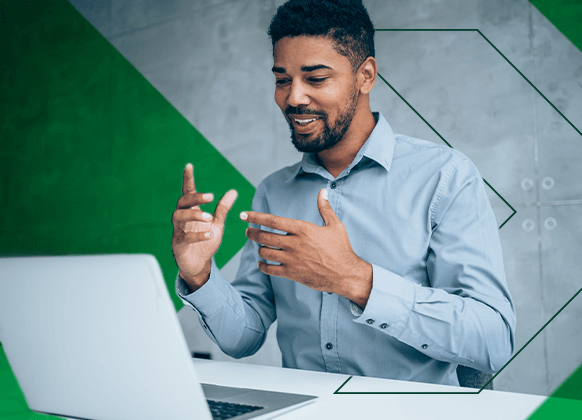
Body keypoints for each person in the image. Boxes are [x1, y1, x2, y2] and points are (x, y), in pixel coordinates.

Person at [171, 0, 515, 386]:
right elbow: (244, 336)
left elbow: (493, 340)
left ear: (365, 76)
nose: (293, 97)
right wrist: (200, 275)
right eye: (282, 80)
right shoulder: (273, 192)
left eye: (315, 78)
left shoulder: (444, 177)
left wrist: (355, 279)